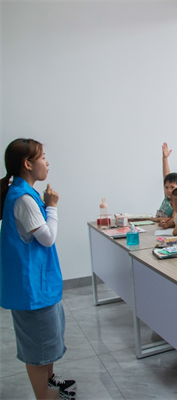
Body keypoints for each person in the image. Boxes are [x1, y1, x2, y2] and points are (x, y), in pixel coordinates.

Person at [0, 138, 76, 400]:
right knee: (39, 349)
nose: (47, 162)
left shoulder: (26, 192)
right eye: (43, 157)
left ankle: (50, 383)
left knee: (49, 341)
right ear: (28, 164)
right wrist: (52, 206)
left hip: (40, 285)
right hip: (31, 291)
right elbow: (47, 238)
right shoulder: (23, 198)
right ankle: (45, 396)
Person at [152, 142, 177, 229]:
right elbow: (166, 175)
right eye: (166, 187)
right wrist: (165, 158)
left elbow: (173, 219)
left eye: (172, 187)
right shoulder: (167, 197)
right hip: (159, 225)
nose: (168, 190)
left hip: (168, 229)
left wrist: (156, 219)